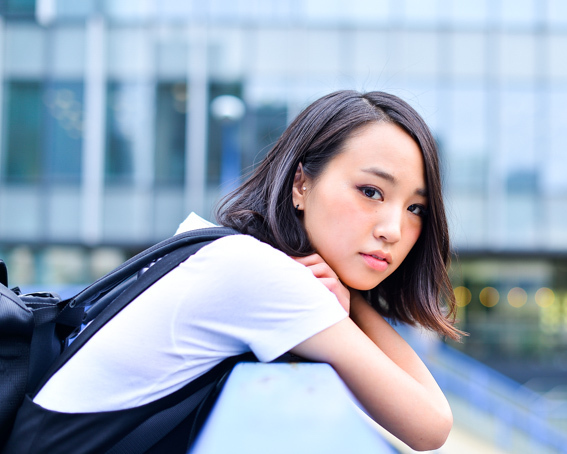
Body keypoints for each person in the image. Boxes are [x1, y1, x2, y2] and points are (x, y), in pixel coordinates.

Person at [22, 90, 463, 452]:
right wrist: (355, 312)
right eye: (370, 191)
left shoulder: (220, 246)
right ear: (301, 185)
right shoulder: (265, 277)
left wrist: (350, 306)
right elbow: (430, 425)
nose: (393, 229)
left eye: (415, 208)